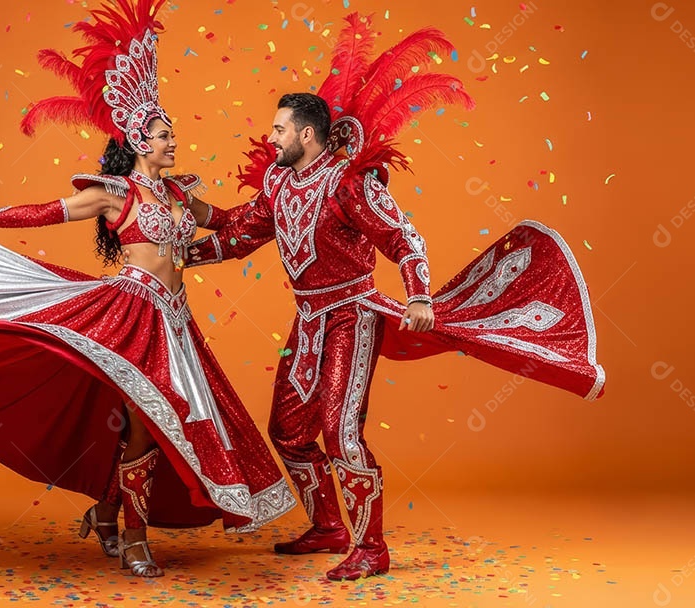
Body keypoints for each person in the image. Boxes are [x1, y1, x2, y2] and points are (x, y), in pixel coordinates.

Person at [0, 0, 295, 579]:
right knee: (146, 420)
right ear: (140, 141)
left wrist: (285, 188)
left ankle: (105, 513)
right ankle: (137, 538)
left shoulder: (178, 197)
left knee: (154, 422)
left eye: (173, 136)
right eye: (165, 136)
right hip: (128, 313)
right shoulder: (115, 194)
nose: (174, 144)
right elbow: (48, 211)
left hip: (174, 322)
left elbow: (231, 222)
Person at [187, 14, 605, 581]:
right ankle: (329, 527)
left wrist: (420, 298)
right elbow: (239, 230)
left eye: (281, 129)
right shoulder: (281, 184)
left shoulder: (348, 182)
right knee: (287, 431)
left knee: (339, 432)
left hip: (352, 315)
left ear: (307, 134)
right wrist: (181, 237)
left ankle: (371, 548)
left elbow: (403, 237)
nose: (273, 138)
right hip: (308, 320)